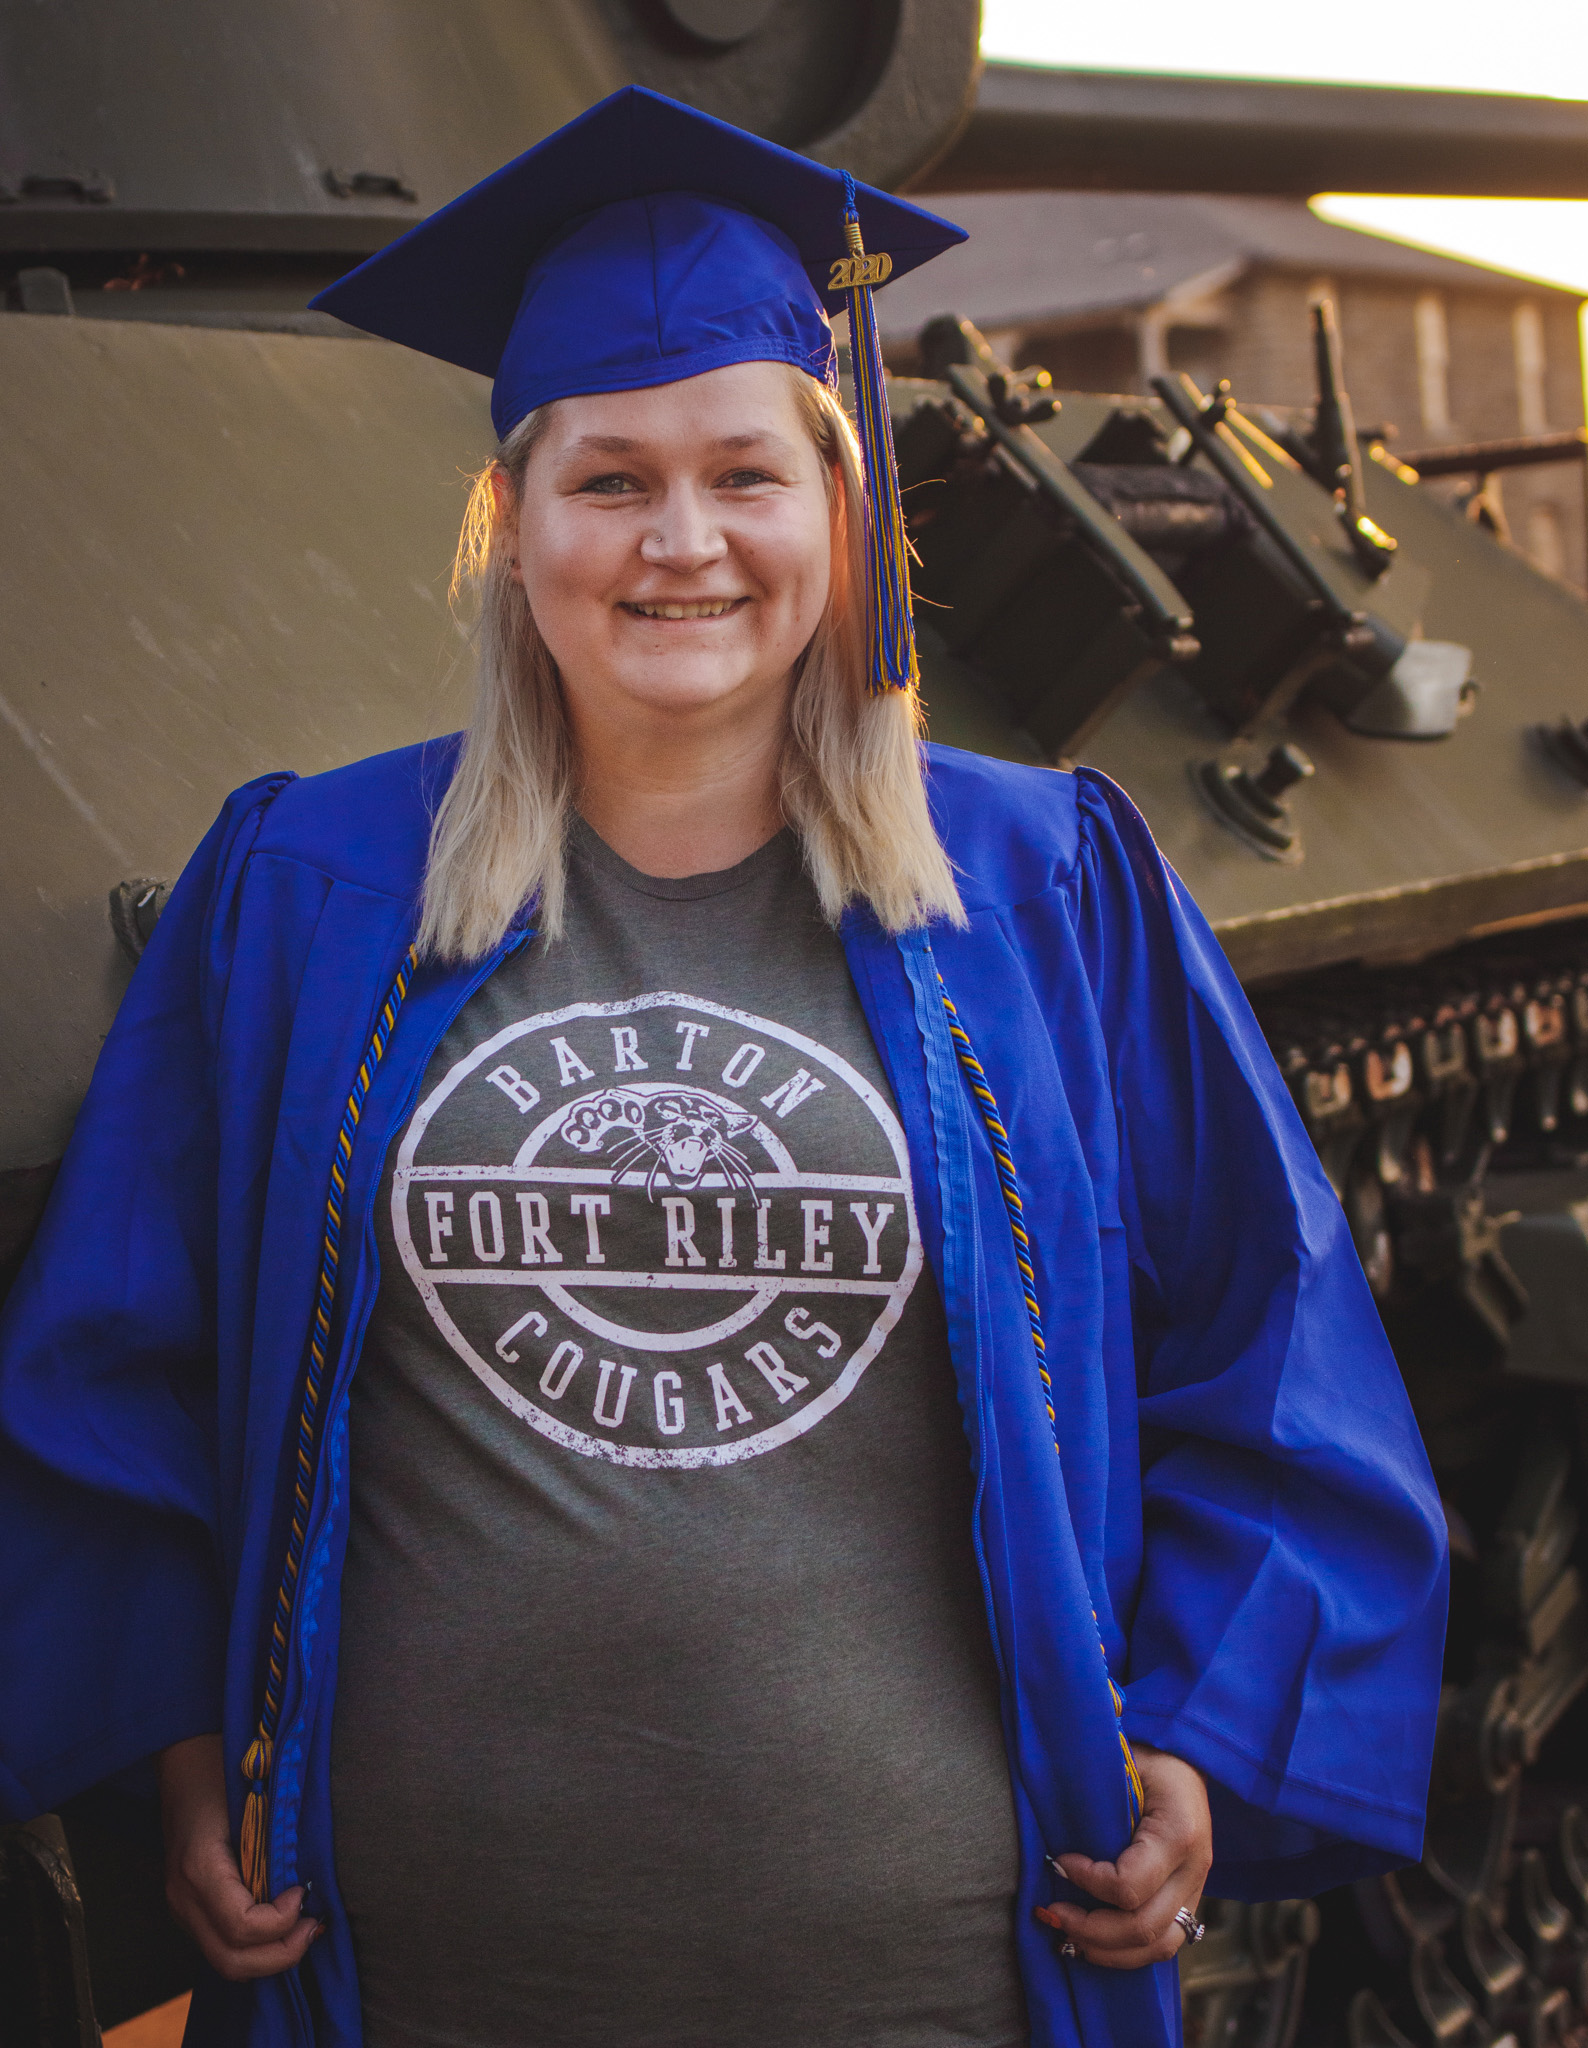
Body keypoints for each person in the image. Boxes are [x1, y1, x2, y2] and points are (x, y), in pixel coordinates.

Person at [0, 86, 1446, 2048]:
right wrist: (177, 1744)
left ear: (841, 515)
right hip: (425, 1985)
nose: (679, 541)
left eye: (743, 475)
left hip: (929, 1981)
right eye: (607, 480)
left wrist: (1193, 1741)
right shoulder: (310, 892)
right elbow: (113, 1364)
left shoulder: (1043, 894)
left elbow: (1268, 1356)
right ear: (512, 530)